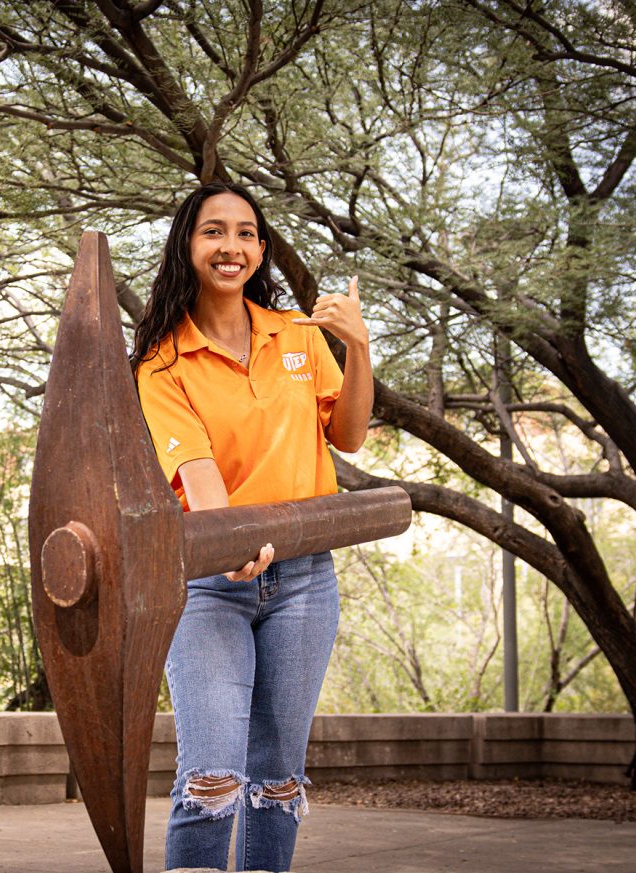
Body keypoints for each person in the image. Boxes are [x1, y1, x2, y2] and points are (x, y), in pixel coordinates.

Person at [132, 182, 373, 872]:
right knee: (211, 778)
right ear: (188, 244)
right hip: (211, 582)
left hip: (305, 582)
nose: (230, 246)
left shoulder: (297, 336)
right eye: (213, 231)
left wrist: (356, 345)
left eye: (245, 232)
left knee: (277, 779)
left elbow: (349, 436)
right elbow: (200, 479)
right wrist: (231, 543)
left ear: (261, 248)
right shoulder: (163, 362)